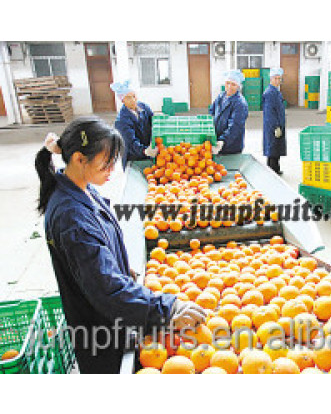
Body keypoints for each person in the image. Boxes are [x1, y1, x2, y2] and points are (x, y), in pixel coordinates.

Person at [35, 118, 207, 373]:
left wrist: (124, 271)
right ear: (80, 159)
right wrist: (167, 308)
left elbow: (99, 261)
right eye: (106, 163)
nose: (112, 170)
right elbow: (105, 288)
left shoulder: (83, 190)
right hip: (100, 333)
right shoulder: (71, 217)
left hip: (112, 318)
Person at [111, 80, 158, 169]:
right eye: (128, 98)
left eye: (134, 96)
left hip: (148, 153)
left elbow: (154, 122)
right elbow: (130, 143)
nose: (133, 100)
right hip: (133, 158)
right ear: (122, 100)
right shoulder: (121, 121)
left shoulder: (143, 107)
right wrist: (145, 151)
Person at [209, 70, 249, 155]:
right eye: (228, 83)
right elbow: (212, 112)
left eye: (233, 84)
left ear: (238, 86)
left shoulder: (240, 103)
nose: (229, 87)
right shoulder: (221, 96)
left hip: (231, 146)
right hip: (218, 141)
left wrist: (223, 141)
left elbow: (235, 127)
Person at [262, 67, 286, 175]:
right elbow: (269, 112)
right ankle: (272, 171)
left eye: (279, 78)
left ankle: (276, 168)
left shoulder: (276, 91)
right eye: (275, 78)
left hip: (278, 124)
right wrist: (276, 126)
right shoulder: (269, 93)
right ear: (270, 79)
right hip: (272, 125)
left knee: (276, 148)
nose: (277, 81)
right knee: (272, 148)